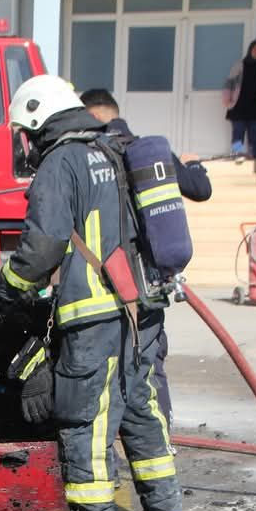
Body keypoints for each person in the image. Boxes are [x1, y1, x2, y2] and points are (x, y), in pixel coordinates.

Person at [0, 75, 182, 511]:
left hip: (94, 313)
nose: (24, 145)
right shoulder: (111, 150)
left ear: (36, 123)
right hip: (140, 309)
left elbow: (40, 251)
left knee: (84, 415)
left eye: (24, 134)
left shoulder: (60, 163)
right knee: (140, 407)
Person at [80, 87, 212, 430]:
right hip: (150, 283)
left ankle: (107, 443)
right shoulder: (148, 152)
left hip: (104, 283)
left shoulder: (89, 156)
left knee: (104, 366)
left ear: (94, 116)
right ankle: (160, 440)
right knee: (150, 366)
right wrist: (195, 164)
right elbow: (200, 189)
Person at [224, 40, 256, 159]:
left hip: (253, 106)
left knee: (254, 136)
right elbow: (229, 82)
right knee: (238, 135)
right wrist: (228, 100)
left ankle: (255, 159)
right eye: (255, 49)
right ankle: (236, 158)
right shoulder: (240, 64)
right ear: (250, 50)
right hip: (238, 106)